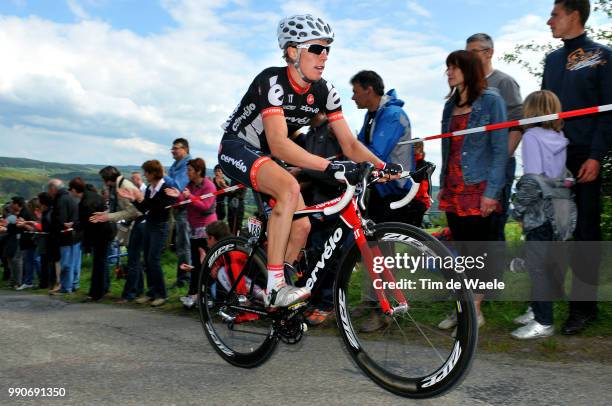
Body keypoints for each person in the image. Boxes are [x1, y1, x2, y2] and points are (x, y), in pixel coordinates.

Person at [217, 14, 399, 308]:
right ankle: (276, 285)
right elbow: (279, 143)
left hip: (265, 157)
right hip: (237, 147)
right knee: (289, 188)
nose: (324, 56)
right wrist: (329, 166)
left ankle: (275, 296)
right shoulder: (272, 80)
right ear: (292, 51)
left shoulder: (325, 91)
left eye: (327, 49)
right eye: (316, 48)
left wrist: (381, 167)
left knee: (301, 227)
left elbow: (350, 145)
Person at [542, 0, 612, 335]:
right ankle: (541, 307)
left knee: (585, 232)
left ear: (573, 16)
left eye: (554, 14)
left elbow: (608, 111)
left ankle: (583, 309)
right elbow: (545, 112)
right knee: (551, 231)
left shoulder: (602, 55)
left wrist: (596, 156)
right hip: (554, 157)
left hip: (585, 157)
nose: (549, 21)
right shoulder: (552, 60)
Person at [436, 50, 509, 333]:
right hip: (453, 189)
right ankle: (462, 308)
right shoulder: (448, 106)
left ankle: (474, 313)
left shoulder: (492, 102)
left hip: (479, 189)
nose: (449, 73)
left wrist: (492, 192)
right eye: (448, 68)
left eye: (454, 67)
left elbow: (500, 150)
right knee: (461, 253)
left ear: (469, 70)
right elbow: (447, 149)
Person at [510, 90, 576, 339]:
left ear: (531, 111)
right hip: (558, 209)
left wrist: (518, 209)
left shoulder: (532, 137)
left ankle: (543, 322)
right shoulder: (558, 135)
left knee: (537, 267)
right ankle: (535, 308)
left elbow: (532, 180)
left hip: (538, 211)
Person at [466, 33, 524, 241]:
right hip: (471, 171)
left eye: (473, 52)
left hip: (496, 170)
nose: (468, 58)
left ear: (489, 53)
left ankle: (492, 275)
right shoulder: (465, 87)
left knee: (492, 230)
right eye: (466, 53)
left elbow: (518, 125)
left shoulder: (504, 83)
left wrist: (498, 163)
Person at [350, 70, 414, 224]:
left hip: (395, 190)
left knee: (382, 243)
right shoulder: (371, 115)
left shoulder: (393, 114)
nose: (352, 97)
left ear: (369, 90)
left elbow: (375, 153)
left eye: (355, 92)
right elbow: (358, 148)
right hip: (379, 187)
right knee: (373, 241)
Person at [119, 160, 177, 307]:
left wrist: (140, 199)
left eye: (146, 172)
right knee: (147, 259)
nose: (145, 175)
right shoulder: (151, 188)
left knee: (153, 260)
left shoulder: (165, 187)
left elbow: (158, 207)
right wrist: (134, 199)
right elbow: (145, 208)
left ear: (152, 173)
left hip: (160, 226)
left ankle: (162, 294)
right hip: (150, 225)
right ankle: (151, 292)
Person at [165, 158, 217, 309]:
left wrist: (189, 197)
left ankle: (207, 295)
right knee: (194, 264)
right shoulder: (190, 184)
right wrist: (178, 195)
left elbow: (206, 207)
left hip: (207, 231)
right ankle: (194, 294)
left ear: (198, 171)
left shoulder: (209, 185)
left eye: (189, 170)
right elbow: (184, 199)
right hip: (194, 229)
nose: (187, 173)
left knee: (205, 264)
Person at [90, 166, 144, 303]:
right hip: (133, 225)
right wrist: (106, 214)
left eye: (103, 180)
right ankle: (137, 291)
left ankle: (129, 295)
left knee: (133, 260)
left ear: (107, 180)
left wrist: (109, 217)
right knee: (134, 259)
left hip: (135, 225)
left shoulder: (122, 187)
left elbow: (132, 212)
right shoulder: (119, 185)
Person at [69, 178, 115, 301]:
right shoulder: (93, 195)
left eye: (70, 190)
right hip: (106, 231)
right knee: (102, 262)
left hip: (99, 234)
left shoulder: (85, 203)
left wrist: (73, 225)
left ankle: (96, 293)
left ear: (74, 190)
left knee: (98, 264)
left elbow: (87, 222)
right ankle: (104, 289)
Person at [47, 179, 82, 295]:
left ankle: (65, 287)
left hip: (65, 236)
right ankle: (74, 284)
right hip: (75, 235)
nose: (49, 192)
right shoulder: (71, 197)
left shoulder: (60, 200)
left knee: (66, 263)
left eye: (49, 189)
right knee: (74, 262)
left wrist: (56, 228)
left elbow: (60, 219)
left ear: (53, 188)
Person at [168, 137, 192, 288]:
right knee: (180, 244)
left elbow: (177, 186)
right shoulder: (175, 165)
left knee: (184, 244)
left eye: (176, 148)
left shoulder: (186, 165)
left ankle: (185, 278)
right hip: (178, 209)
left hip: (186, 210)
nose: (173, 151)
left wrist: (163, 176)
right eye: (172, 148)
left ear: (185, 149)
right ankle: (182, 277)